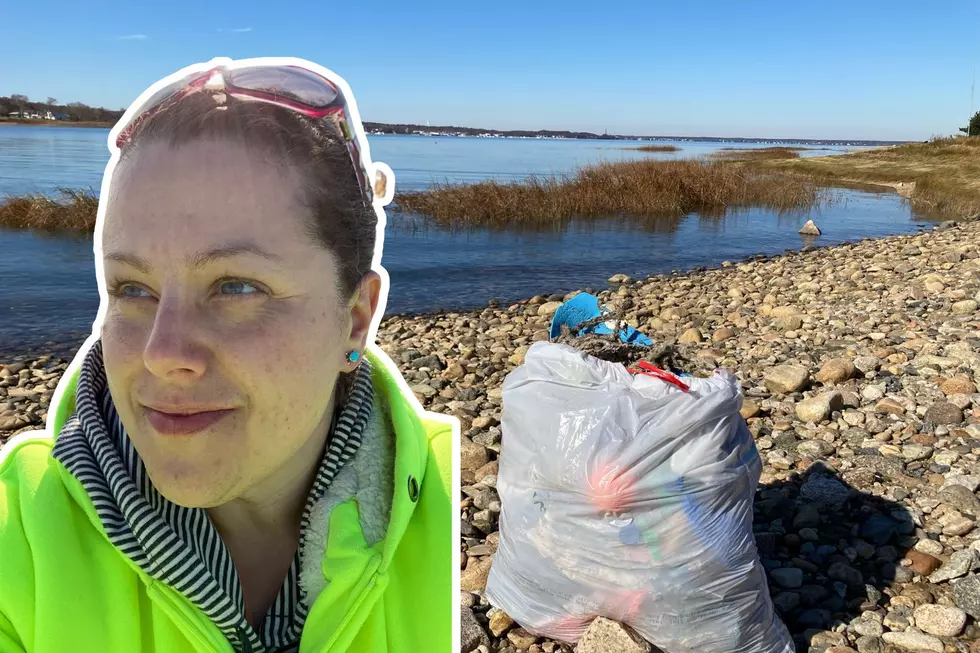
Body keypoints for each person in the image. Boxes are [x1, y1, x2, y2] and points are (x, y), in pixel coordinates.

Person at [0, 57, 456, 653]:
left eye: (237, 286)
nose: (164, 355)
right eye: (131, 289)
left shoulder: (461, 499)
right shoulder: (21, 536)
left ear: (356, 317)